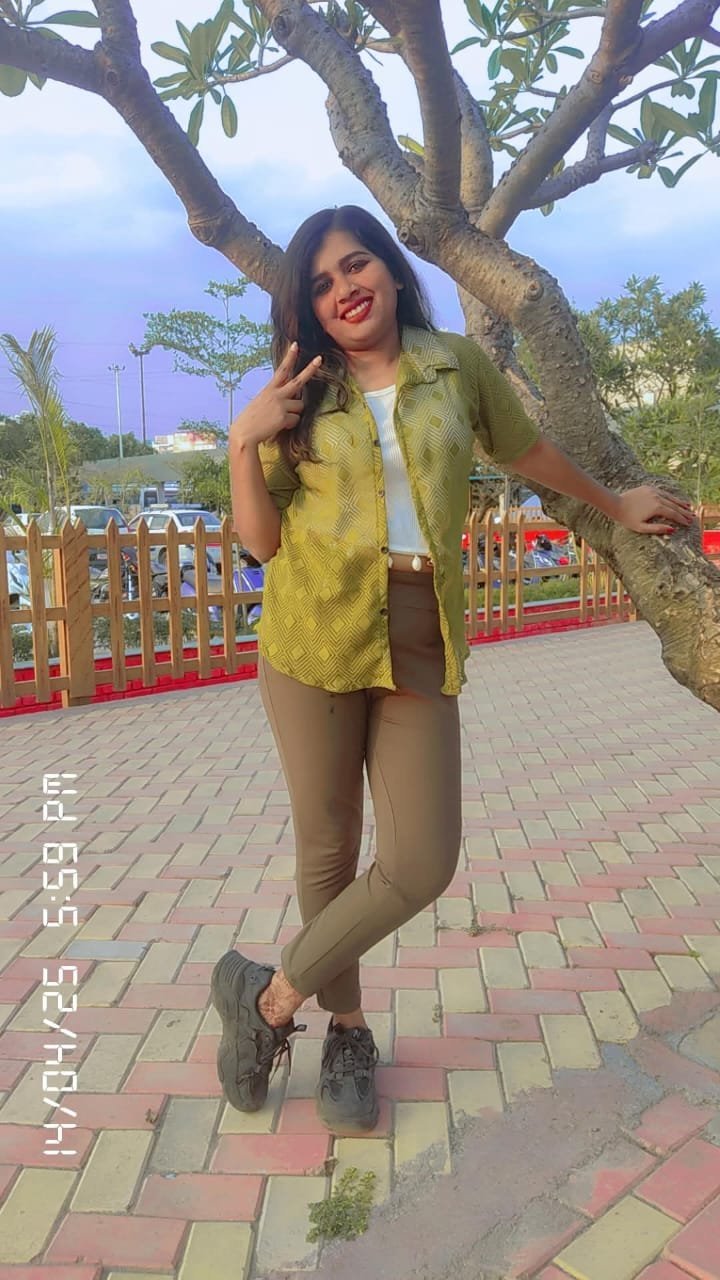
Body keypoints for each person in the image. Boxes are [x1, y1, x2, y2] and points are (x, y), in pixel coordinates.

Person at [211, 205, 694, 1133]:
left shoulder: (455, 367)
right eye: (322, 283)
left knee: (421, 860)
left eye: (358, 265)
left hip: (419, 631)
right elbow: (262, 542)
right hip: (312, 635)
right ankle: (347, 1031)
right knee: (328, 847)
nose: (345, 289)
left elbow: (525, 448)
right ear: (309, 305)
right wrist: (244, 438)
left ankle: (266, 998)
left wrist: (612, 501)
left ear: (392, 272)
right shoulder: (299, 392)